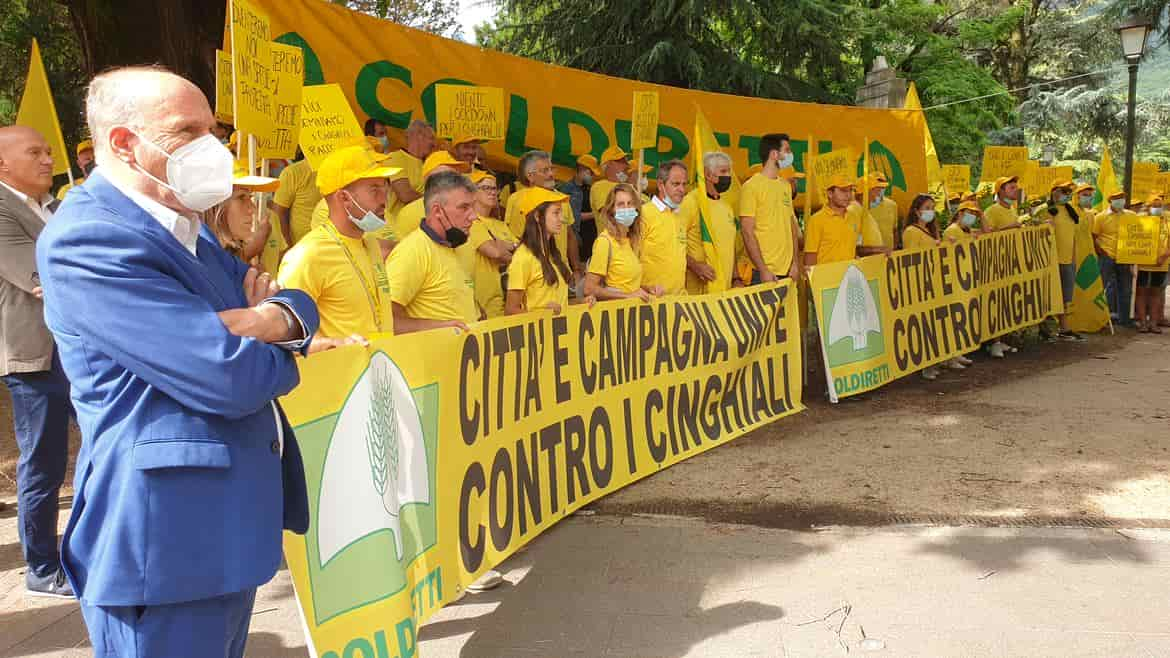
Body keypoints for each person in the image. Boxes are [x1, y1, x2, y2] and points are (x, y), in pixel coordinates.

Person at [36, 66, 319, 658]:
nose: (211, 146)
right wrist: (274, 341)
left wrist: (270, 321)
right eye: (187, 129)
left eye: (213, 128)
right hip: (165, 544)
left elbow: (290, 301)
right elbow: (229, 376)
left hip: (221, 532)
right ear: (122, 142)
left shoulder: (186, 225)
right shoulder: (90, 237)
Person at [0, 126, 75, 598]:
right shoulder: (2, 211)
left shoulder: (54, 208)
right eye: (34, 152)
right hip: (34, 358)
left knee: (103, 447)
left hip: (74, 350)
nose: (48, 159)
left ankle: (86, 546)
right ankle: (41, 566)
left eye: (48, 151)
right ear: (3, 164)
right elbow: (43, 277)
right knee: (44, 464)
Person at [277, 146, 398, 352]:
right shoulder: (309, 254)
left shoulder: (369, 243)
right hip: (340, 379)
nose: (384, 198)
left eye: (384, 187)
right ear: (344, 198)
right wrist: (331, 345)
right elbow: (284, 333)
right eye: (374, 189)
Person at [385, 170, 481, 333]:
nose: (473, 216)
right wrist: (441, 328)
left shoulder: (457, 247)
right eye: (464, 207)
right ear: (437, 211)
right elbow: (386, 320)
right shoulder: (413, 250)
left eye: (473, 207)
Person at [506, 187, 596, 315]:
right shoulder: (523, 257)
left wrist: (581, 302)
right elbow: (510, 311)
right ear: (537, 216)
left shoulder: (553, 254)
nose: (561, 218)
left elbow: (560, 306)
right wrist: (541, 313)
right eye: (556, 213)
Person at [505, 150, 580, 279]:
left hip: (562, 271)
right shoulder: (517, 200)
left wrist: (576, 269)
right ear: (530, 176)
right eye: (545, 170)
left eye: (551, 169)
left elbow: (570, 235)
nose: (551, 174)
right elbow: (515, 237)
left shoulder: (561, 198)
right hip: (534, 273)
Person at [584, 182, 662, 302]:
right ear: (611, 210)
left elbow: (626, 285)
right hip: (615, 314)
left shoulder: (632, 241)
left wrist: (648, 289)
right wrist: (627, 296)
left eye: (630, 203)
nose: (626, 208)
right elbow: (589, 288)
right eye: (620, 204)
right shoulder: (605, 242)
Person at [740, 133, 801, 284]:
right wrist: (762, 269)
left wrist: (795, 263)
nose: (790, 155)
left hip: (788, 272)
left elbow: (791, 226)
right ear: (774, 154)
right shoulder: (751, 187)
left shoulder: (785, 186)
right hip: (764, 273)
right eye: (787, 150)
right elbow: (747, 232)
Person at [203, 166, 283, 274]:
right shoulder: (199, 259)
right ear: (215, 204)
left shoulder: (219, 257)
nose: (253, 209)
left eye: (250, 197)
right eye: (241, 197)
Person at [680, 151, 738, 292]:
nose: (728, 176)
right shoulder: (690, 202)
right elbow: (674, 243)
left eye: (729, 172)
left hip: (725, 289)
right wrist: (695, 266)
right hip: (699, 292)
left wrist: (736, 278)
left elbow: (731, 246)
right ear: (707, 174)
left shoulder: (727, 207)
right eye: (723, 171)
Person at [463, 169, 518, 318]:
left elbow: (521, 251)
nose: (493, 192)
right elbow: (495, 253)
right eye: (486, 188)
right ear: (472, 193)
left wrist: (503, 245)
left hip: (508, 302)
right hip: (486, 306)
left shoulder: (501, 225)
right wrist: (506, 247)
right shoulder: (471, 222)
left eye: (494, 188)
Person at [979, 175, 1022, 357]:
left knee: (1007, 301)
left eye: (1015, 187)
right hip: (995, 264)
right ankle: (993, 342)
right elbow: (986, 234)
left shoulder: (1013, 210)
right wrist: (1010, 228)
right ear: (1001, 191)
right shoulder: (992, 210)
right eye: (1011, 187)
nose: (1015, 190)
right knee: (996, 301)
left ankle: (1002, 339)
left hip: (1010, 262)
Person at [388, 150, 471, 243]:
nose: (457, 180)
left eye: (457, 175)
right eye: (450, 176)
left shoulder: (468, 210)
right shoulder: (409, 214)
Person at [638, 159, 689, 296]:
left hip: (679, 300)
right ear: (661, 185)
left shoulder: (681, 216)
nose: (682, 189)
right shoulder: (644, 214)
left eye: (684, 184)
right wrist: (643, 289)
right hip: (650, 300)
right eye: (676, 184)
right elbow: (630, 259)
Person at [1042, 181, 1085, 341]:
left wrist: (1074, 257)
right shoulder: (1045, 209)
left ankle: (1064, 329)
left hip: (1068, 260)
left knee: (1065, 297)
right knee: (1047, 295)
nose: (1067, 194)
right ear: (1054, 191)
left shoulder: (1069, 211)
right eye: (1063, 191)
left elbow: (1072, 235)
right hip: (1050, 260)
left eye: (1069, 192)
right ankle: (1044, 329)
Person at [803, 174, 873, 266]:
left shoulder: (853, 216)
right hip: (827, 277)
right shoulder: (816, 220)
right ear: (830, 193)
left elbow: (853, 247)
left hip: (848, 277)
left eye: (851, 190)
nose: (848, 195)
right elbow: (810, 257)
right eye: (843, 191)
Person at [385, 119, 436, 234]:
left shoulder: (429, 164)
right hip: (398, 229)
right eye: (431, 138)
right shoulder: (396, 158)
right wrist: (437, 201)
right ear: (419, 136)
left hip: (424, 230)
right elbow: (405, 194)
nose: (434, 144)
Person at [1093, 190, 1133, 327]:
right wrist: (1101, 252)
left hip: (1125, 258)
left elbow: (1139, 234)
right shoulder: (1100, 217)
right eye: (1117, 198)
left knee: (1126, 289)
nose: (1120, 200)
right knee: (1100, 288)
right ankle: (1099, 319)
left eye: (1122, 197)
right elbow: (1093, 237)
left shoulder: (1131, 216)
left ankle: (1124, 320)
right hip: (1106, 257)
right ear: (1110, 200)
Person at [1135, 194, 1170, 333]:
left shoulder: (1167, 222)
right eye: (1154, 206)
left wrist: (1164, 256)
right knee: (1141, 292)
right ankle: (1143, 323)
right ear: (1148, 207)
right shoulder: (1139, 220)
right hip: (1142, 264)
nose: (1157, 209)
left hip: (1161, 264)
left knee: (1156, 293)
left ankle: (1153, 323)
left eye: (1159, 206)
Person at [272, 152, 322, 247]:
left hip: (337, 247)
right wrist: (287, 247)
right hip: (302, 249)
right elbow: (278, 213)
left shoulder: (342, 170)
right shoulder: (292, 173)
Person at [559, 154, 599, 262]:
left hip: (590, 241)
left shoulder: (590, 189)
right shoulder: (567, 190)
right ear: (581, 170)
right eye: (590, 173)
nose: (592, 176)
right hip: (576, 242)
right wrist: (597, 214)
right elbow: (574, 217)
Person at [589, 145, 630, 217]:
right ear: (609, 164)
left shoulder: (628, 187)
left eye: (626, 160)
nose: (627, 165)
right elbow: (607, 212)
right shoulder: (599, 186)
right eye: (622, 161)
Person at [867, 173, 900, 249]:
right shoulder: (862, 206)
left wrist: (894, 249)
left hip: (889, 253)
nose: (880, 190)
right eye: (877, 187)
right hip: (870, 254)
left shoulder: (892, 205)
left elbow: (895, 230)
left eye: (883, 187)